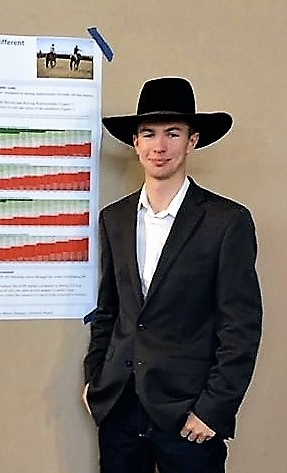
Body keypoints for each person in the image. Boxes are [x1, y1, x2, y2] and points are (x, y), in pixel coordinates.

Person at [82, 77, 262, 473]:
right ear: (136, 142)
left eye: (172, 133)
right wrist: (95, 379)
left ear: (192, 141)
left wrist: (214, 410)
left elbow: (241, 326)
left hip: (189, 415)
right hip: (120, 409)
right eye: (148, 133)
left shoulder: (226, 222)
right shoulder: (114, 218)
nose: (159, 146)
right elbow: (109, 310)